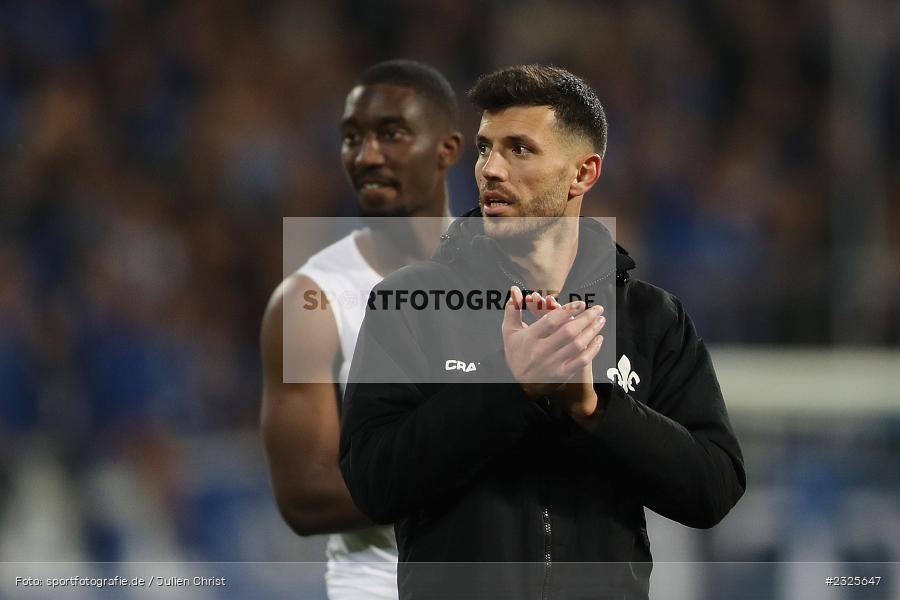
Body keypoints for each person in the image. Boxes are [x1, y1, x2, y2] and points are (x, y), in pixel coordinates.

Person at [339, 65, 745, 599]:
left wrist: (596, 410)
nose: (490, 169)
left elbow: (714, 488)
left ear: (582, 174)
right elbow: (371, 483)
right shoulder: (411, 303)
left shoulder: (652, 320)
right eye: (485, 149)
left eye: (519, 149)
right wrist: (510, 386)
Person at [260, 59, 462, 599]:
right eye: (353, 138)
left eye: (390, 134)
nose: (367, 155)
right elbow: (305, 495)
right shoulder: (310, 302)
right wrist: (468, 462)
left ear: (447, 149)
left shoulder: (514, 276)